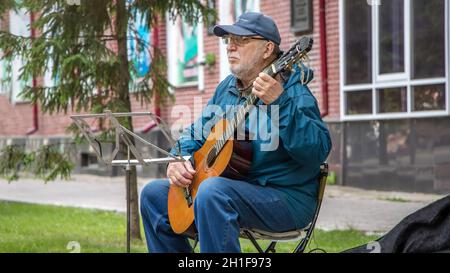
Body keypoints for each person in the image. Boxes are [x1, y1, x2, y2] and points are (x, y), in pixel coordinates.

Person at [140, 12, 332, 253]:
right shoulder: (227, 88)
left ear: (267, 49)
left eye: (241, 40)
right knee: (153, 195)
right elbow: (197, 131)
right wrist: (177, 159)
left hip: (285, 198)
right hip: (232, 189)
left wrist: (280, 104)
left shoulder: (293, 93)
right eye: (228, 40)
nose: (230, 47)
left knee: (213, 192)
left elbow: (316, 152)